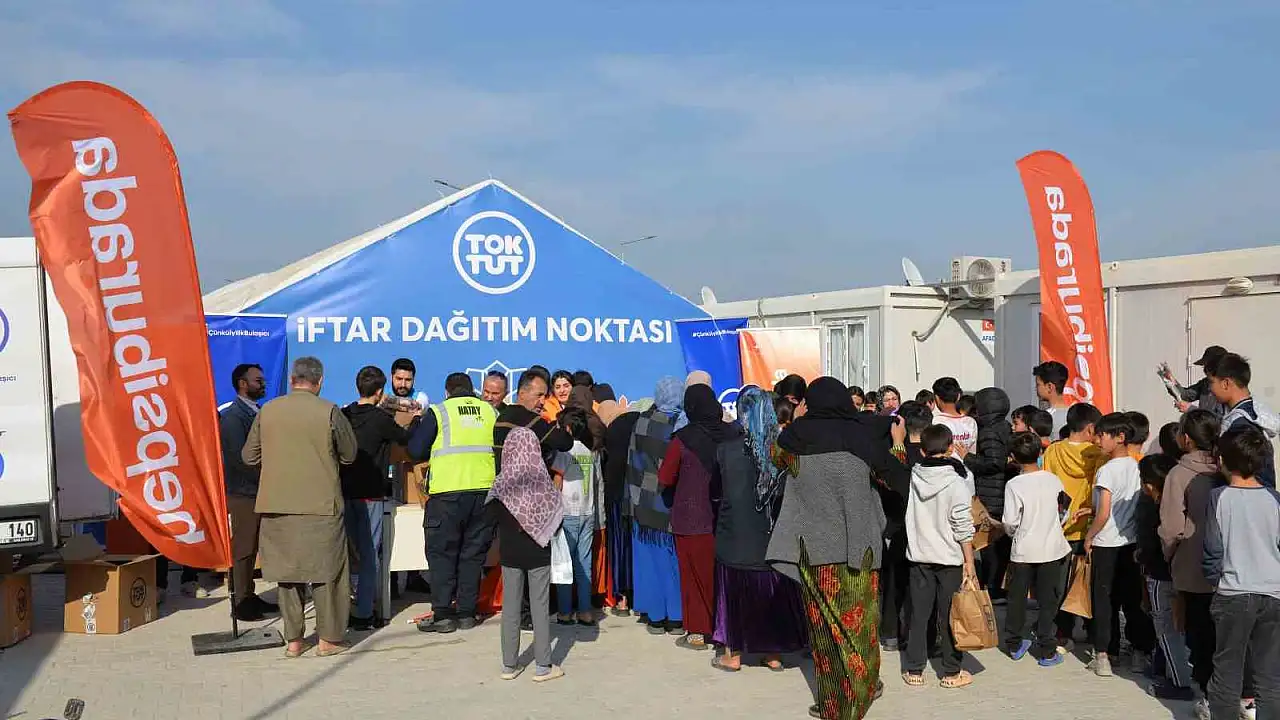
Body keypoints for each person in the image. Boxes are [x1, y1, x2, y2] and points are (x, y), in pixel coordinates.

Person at [767, 377, 894, 718]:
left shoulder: (793, 441)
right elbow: (893, 476)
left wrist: (797, 420)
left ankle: (833, 703)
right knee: (861, 629)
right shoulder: (863, 438)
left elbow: (774, 457)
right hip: (860, 551)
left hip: (814, 553)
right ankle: (862, 692)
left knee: (824, 632)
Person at [243, 356, 358, 658]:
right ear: (320, 382)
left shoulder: (267, 411)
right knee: (328, 573)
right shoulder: (329, 411)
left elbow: (249, 456)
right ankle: (329, 639)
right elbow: (349, 455)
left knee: (288, 575)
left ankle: (294, 640)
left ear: (292, 380)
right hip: (321, 505)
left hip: (276, 505)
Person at [710, 387, 808, 672]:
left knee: (734, 595)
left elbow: (715, 491)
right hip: (772, 535)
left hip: (735, 533)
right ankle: (772, 653)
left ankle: (733, 654)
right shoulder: (782, 451)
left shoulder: (726, 449)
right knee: (771, 592)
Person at [408, 373, 499, 634]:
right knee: (473, 555)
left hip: (447, 494)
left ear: (447, 392)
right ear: (473, 390)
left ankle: (443, 615)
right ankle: (467, 613)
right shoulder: (490, 412)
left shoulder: (439, 412)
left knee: (442, 554)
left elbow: (416, 450)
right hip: (484, 493)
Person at [1202, 426, 1280, 720]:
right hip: (1273, 593)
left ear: (1222, 459)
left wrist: (1215, 583)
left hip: (1233, 593)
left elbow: (1212, 550)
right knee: (1269, 677)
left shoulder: (1219, 497)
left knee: (1227, 673)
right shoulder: (1275, 498)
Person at [659, 384, 738, 651]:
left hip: (691, 517)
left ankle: (698, 632)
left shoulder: (682, 439)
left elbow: (665, 477)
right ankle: (725, 629)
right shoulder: (731, 434)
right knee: (723, 576)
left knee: (693, 577)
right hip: (727, 517)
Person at [495, 371, 577, 630]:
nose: (543, 401)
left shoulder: (501, 419)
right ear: (522, 393)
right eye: (539, 394)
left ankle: (518, 615)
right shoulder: (529, 420)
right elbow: (564, 442)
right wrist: (562, 428)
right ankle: (533, 616)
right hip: (530, 504)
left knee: (512, 565)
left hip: (505, 501)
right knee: (535, 565)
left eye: (545, 395)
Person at [1160, 409, 1227, 715]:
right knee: (1225, 638)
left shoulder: (1178, 474)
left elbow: (1171, 527)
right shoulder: (1227, 469)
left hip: (1192, 565)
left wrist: (1171, 555)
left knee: (1199, 635)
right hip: (1227, 570)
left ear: (1185, 439)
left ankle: (1209, 698)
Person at [901, 424, 977, 689]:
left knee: (919, 615)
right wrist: (969, 561)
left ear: (922, 450)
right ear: (950, 448)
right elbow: (962, 524)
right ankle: (951, 672)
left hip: (919, 556)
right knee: (950, 616)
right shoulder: (957, 481)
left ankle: (914, 670)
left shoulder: (913, 476)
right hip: (950, 559)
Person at [340, 365, 416, 630]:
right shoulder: (381, 419)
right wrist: (415, 418)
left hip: (343, 493)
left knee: (347, 554)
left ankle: (343, 608)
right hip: (371, 494)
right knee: (370, 553)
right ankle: (364, 612)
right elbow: (405, 438)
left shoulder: (344, 415)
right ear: (381, 391)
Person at [488, 427, 566, 683]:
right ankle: (543, 666)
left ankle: (509, 665)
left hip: (510, 552)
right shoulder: (542, 483)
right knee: (540, 607)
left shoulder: (501, 483)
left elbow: (492, 515)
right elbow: (557, 515)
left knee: (510, 607)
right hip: (538, 551)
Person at [1082, 412, 1156, 677]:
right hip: (1131, 542)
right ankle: (1139, 652)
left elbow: (1104, 512)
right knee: (1132, 599)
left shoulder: (1107, 470)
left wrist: (1089, 536)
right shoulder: (1137, 467)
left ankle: (1104, 654)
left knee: (1104, 600)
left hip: (1106, 543)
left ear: (1120, 437)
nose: (1098, 440)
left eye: (1102, 435)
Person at [1001, 431, 1071, 667]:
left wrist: (1014, 533)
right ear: (1040, 452)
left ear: (1013, 457)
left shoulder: (1014, 484)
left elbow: (1010, 521)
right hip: (1051, 548)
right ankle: (1047, 650)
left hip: (1023, 550)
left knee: (1017, 598)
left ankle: (1014, 644)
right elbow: (1064, 509)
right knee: (1048, 600)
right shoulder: (1053, 479)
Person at [218, 362, 278, 621]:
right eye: (258, 381)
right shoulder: (233, 417)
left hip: (258, 490)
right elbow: (238, 459)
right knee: (243, 548)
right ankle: (240, 601)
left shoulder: (257, 411)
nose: (263, 384)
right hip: (244, 493)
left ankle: (249, 594)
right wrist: (266, 478)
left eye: (262, 380)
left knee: (253, 547)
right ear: (243, 384)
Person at [1042, 402, 1104, 648]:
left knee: (1059, 584)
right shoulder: (1098, 455)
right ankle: (1092, 630)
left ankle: (1061, 632)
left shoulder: (1053, 451)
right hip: (1089, 526)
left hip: (1059, 527)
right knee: (1087, 582)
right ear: (1090, 429)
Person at [628, 377, 686, 635]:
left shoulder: (642, 421)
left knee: (649, 562)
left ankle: (655, 616)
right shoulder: (681, 424)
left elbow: (634, 461)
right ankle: (676, 617)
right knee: (672, 563)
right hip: (670, 502)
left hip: (643, 500)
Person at [1135, 454, 1195, 700]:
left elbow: (1150, 546)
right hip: (1185, 574)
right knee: (1181, 629)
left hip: (1161, 576)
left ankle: (1180, 683)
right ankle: (1173, 672)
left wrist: (1141, 557)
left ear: (1149, 484)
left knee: (1167, 630)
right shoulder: (1182, 502)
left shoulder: (1152, 508)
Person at [966, 387, 1014, 599]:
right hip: (1002, 492)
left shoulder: (988, 431)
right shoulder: (1005, 427)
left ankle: (992, 587)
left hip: (990, 493)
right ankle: (999, 586)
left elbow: (994, 462)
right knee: (1001, 544)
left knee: (989, 543)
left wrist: (967, 457)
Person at [552, 406, 597, 626]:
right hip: (588, 512)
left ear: (567, 428)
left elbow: (557, 481)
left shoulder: (564, 452)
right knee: (584, 564)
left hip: (567, 512)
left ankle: (564, 611)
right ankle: (585, 611)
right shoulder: (590, 451)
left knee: (564, 563)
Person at [1209, 353, 1279, 488]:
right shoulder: (1254, 413)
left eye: (1211, 382)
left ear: (1226, 383)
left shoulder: (1241, 425)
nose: (1210, 390)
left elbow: (1251, 480)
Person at [1159, 345, 1227, 416]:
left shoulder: (1228, 388)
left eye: (1207, 366)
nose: (1205, 370)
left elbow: (1221, 419)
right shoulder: (1205, 383)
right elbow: (1185, 395)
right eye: (1204, 366)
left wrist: (1192, 410)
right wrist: (1171, 381)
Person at [931, 377, 977, 455]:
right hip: (966, 462)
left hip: (943, 463)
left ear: (937, 398)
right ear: (958, 396)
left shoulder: (935, 421)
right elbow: (972, 452)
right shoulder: (971, 422)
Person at [1033, 360, 1072, 437]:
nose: (1036, 388)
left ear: (1050, 387)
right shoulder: (1074, 416)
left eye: (1038, 385)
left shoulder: (1044, 419)